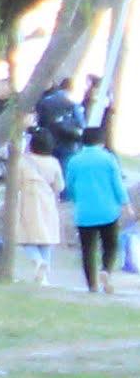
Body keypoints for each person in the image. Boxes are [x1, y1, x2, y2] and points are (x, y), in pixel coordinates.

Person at [74, 125, 128, 293]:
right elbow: (117, 184)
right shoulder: (108, 159)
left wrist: (76, 199)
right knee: (111, 245)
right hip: (108, 210)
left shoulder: (75, 160)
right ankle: (105, 270)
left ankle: (92, 285)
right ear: (101, 141)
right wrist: (125, 204)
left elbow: (69, 185)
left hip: (84, 211)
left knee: (87, 249)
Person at [13, 136, 71, 283]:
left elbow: (16, 182)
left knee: (26, 237)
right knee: (47, 238)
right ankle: (44, 276)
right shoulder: (54, 162)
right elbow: (60, 186)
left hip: (28, 200)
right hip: (47, 200)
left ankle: (37, 261)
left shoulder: (23, 161)